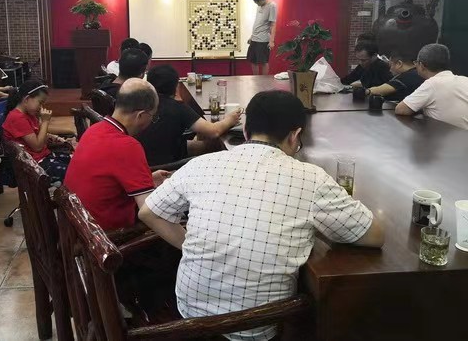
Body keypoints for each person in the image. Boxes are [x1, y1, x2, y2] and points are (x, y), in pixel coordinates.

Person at [139, 90, 384, 341]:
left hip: (188, 318)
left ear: (246, 131)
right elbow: (374, 236)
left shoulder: (201, 164)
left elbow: (148, 212)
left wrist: (191, 244)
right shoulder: (312, 179)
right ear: (295, 135)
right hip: (255, 328)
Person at [64, 78, 169, 230]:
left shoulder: (95, 129)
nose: (151, 121)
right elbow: (149, 213)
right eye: (152, 116)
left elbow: (104, 182)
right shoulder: (128, 146)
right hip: (103, 237)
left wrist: (149, 180)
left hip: (76, 225)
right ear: (140, 115)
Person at [137, 65, 241, 166]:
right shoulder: (177, 107)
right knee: (215, 144)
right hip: (170, 163)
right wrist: (230, 120)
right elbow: (214, 131)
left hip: (143, 159)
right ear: (176, 86)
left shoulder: (140, 104)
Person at [3, 80, 72, 183]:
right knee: (72, 173)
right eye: (40, 103)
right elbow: (37, 147)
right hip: (33, 166)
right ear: (26, 99)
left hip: (42, 157)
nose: (41, 107)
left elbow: (41, 132)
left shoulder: (28, 114)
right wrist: (45, 122)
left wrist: (65, 135)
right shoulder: (17, 118)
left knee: (75, 161)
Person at [395, 44, 468, 130]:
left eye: (416, 62)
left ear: (421, 65)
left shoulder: (433, 83)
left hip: (445, 136)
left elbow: (401, 110)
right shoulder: (465, 80)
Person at [247, 0, 277, 76]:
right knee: (253, 61)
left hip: (263, 39)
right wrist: (252, 36)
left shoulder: (272, 6)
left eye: (257, 2)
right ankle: (255, 80)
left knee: (263, 62)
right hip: (255, 38)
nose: (257, 4)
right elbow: (258, 22)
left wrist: (272, 41)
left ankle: (264, 81)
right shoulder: (259, 6)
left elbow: (273, 24)